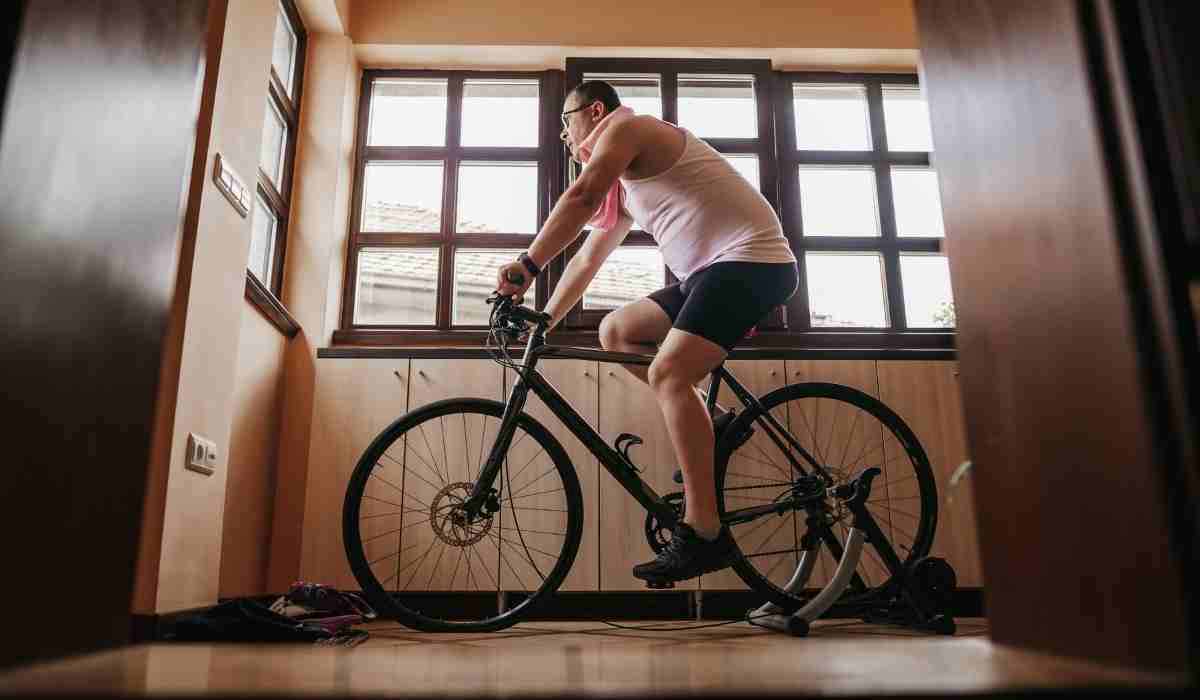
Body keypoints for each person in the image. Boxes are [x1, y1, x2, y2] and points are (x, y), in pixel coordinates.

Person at [495, 80, 798, 585]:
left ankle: (704, 532)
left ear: (595, 111)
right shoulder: (625, 188)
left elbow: (581, 193)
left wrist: (527, 264)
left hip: (752, 262)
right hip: (709, 273)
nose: (566, 138)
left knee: (670, 374)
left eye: (567, 123)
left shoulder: (631, 129)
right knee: (616, 331)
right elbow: (590, 256)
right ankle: (720, 421)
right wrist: (543, 319)